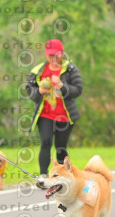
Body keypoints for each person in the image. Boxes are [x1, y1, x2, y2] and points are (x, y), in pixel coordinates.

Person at [26, 39, 83, 188]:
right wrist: (39, 91)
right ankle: (43, 176)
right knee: (45, 143)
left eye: (56, 55)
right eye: (50, 55)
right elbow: (29, 90)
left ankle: (66, 177)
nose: (53, 58)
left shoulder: (70, 69)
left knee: (60, 147)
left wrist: (63, 86)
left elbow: (78, 89)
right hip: (45, 114)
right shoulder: (38, 70)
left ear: (62, 53)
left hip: (64, 115)